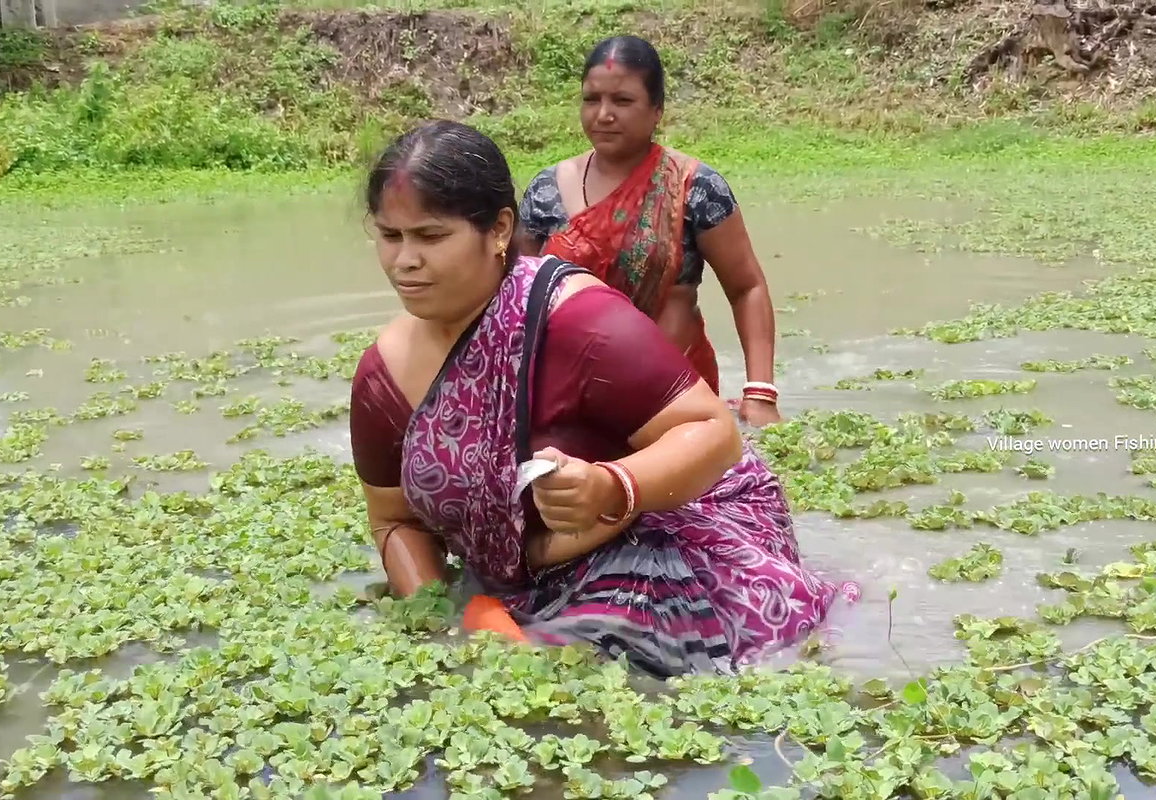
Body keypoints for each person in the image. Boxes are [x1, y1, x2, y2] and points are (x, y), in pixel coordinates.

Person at [348, 119, 857, 678]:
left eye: (430, 236)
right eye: (389, 236)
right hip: (514, 583)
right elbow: (395, 522)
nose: (405, 261)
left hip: (652, 535)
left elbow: (715, 432)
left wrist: (611, 486)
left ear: (498, 231)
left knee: (614, 682)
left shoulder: (577, 322)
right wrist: (456, 621)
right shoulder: (382, 378)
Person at [515, 35, 783, 428]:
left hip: (676, 403)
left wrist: (760, 393)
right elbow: (517, 302)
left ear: (656, 110)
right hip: (569, 403)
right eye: (592, 100)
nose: (603, 114)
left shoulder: (694, 188)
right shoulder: (545, 191)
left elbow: (747, 288)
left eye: (622, 101)